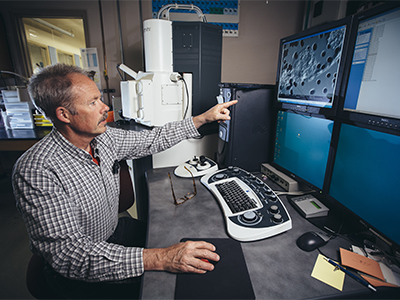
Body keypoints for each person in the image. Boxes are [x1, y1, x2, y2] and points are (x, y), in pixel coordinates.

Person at [12, 63, 237, 299]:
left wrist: (201, 119)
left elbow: (152, 140)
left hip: (115, 231)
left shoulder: (104, 138)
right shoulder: (37, 171)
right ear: (64, 114)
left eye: (100, 99)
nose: (104, 107)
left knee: (180, 239)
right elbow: (71, 255)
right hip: (76, 274)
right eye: (93, 102)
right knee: (165, 287)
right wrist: (161, 258)